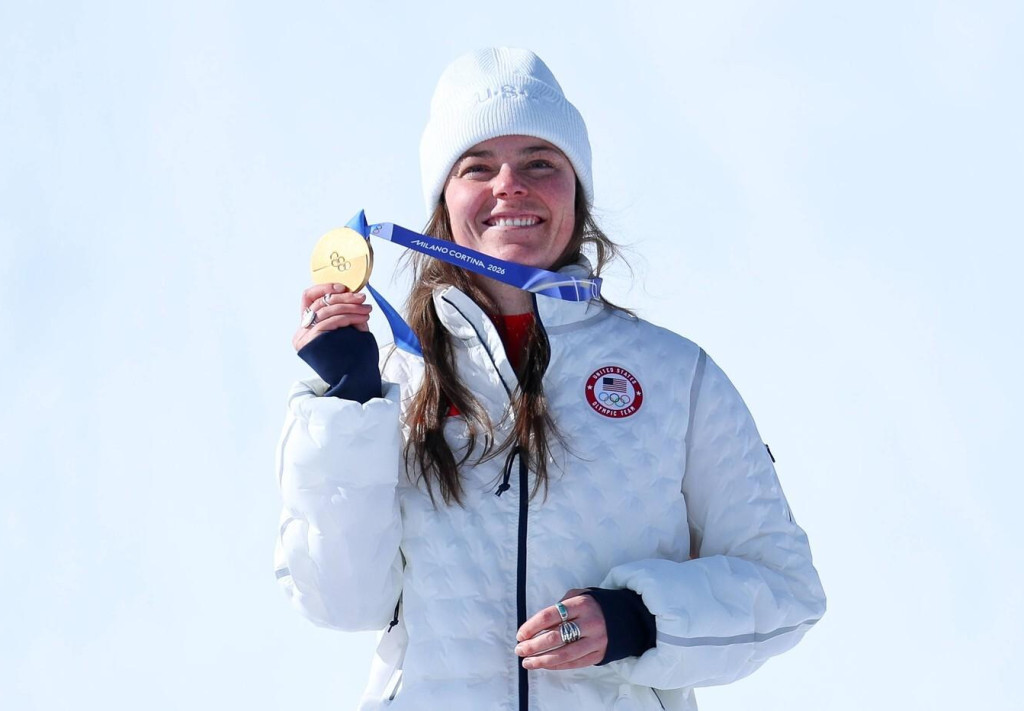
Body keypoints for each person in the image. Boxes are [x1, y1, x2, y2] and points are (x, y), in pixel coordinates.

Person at [274, 48, 825, 711]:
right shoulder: (393, 381)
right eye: (478, 166)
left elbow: (785, 588)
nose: (510, 184)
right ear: (443, 202)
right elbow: (340, 600)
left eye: (540, 162)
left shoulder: (677, 377)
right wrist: (349, 399)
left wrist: (638, 619)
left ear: (577, 191)